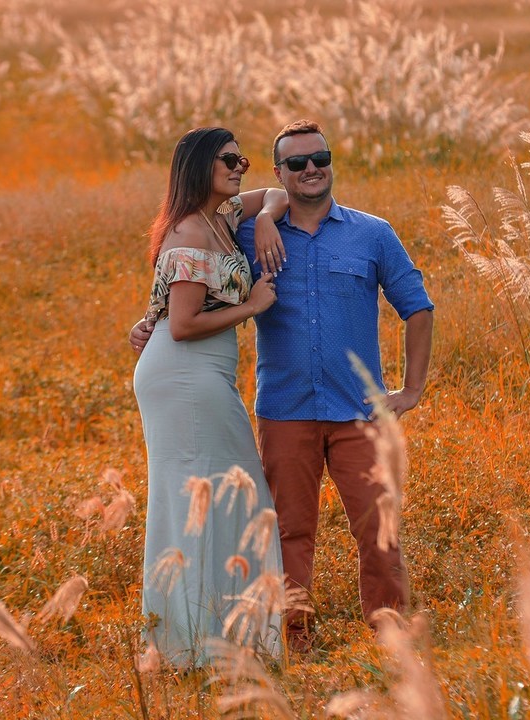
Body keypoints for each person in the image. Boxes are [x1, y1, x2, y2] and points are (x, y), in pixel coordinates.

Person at [132, 119, 434, 652]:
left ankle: (392, 631)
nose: (310, 169)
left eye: (320, 158)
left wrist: (410, 390)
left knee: (377, 527)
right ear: (282, 171)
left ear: (331, 162)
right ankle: (292, 635)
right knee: (288, 531)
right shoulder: (239, 232)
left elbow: (418, 307)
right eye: (296, 163)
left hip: (358, 410)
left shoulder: (372, 233)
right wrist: (151, 319)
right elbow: (192, 280)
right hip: (284, 409)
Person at [132, 126, 291, 667]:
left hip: (200, 374)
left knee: (219, 494)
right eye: (229, 159)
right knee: (220, 496)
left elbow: (278, 193)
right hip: (184, 375)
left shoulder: (220, 218)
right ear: (200, 165)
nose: (240, 166)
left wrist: (266, 216)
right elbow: (182, 324)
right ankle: (195, 641)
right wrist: (253, 306)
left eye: (242, 158)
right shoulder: (189, 235)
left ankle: (216, 635)